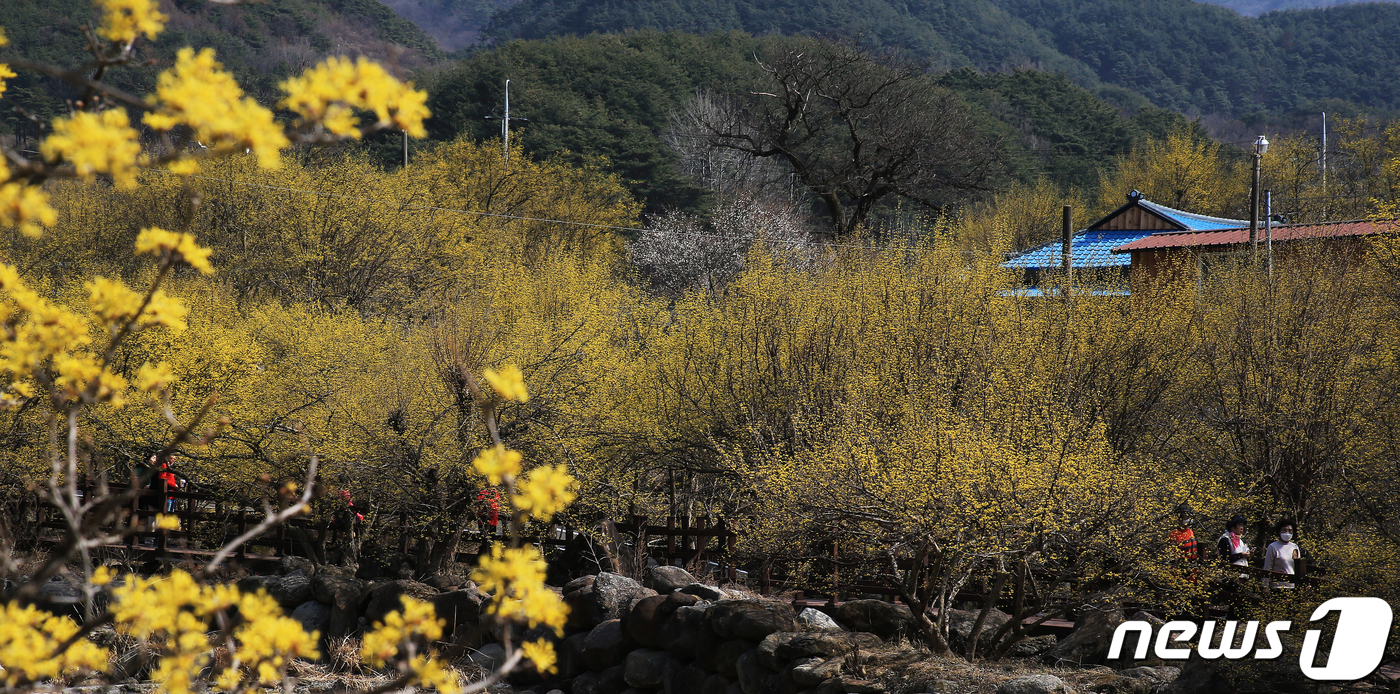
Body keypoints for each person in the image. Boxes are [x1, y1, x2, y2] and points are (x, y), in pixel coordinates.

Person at [1262, 520, 1302, 589]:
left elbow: (1298, 567)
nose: (1287, 533)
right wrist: (1265, 586)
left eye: (1290, 530)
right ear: (1279, 531)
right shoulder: (1273, 547)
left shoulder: (1294, 547)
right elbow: (1267, 567)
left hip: (1292, 585)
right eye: (1284, 530)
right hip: (1278, 585)